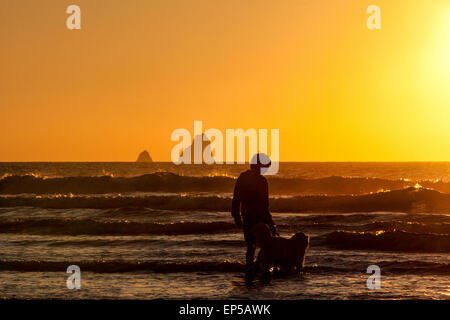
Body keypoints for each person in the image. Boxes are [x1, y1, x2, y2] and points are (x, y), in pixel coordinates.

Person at [231, 153, 278, 272]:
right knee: (261, 246)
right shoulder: (261, 181)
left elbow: (236, 199)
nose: (266, 170)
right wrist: (271, 224)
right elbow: (264, 205)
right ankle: (257, 269)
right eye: (265, 167)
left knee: (252, 246)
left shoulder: (244, 177)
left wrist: (236, 216)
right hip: (256, 218)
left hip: (249, 216)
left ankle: (252, 268)